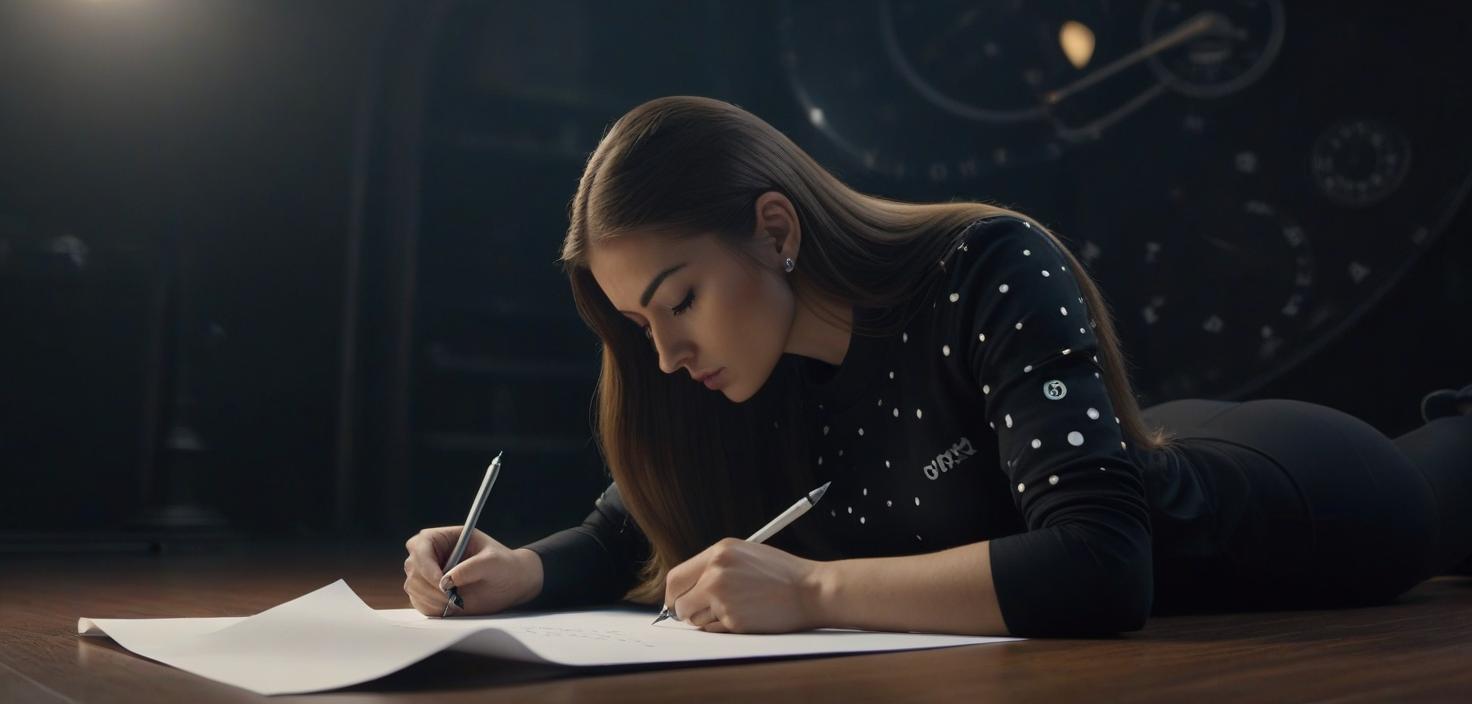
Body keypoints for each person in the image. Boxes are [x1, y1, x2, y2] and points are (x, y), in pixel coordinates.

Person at [402, 96, 1472, 638]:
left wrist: (814, 588)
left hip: (1298, 501)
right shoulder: (735, 375)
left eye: (676, 299)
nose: (666, 349)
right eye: (641, 322)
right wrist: (514, 572)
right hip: (1155, 434)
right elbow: (623, 525)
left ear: (775, 228)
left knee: (1446, 467)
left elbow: (1101, 566)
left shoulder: (987, 264)